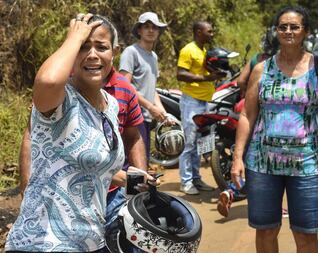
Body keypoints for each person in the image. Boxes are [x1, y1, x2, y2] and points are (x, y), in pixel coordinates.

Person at [5, 13, 126, 252]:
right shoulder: (59, 99)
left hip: (91, 243)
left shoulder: (111, 105)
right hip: (43, 243)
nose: (92, 54)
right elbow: (49, 80)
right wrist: (74, 36)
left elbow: (92, 167)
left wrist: (133, 179)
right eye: (83, 47)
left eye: (101, 47)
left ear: (115, 52)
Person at [231, 6, 318, 252]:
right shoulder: (262, 69)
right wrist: (238, 157)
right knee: (266, 229)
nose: (288, 31)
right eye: (283, 26)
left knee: (307, 234)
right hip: (262, 164)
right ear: (276, 31)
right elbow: (248, 114)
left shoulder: (316, 67)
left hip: (308, 164)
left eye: (294, 26)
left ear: (306, 31)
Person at [217, 27, 279, 217]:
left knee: (249, 156)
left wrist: (248, 93)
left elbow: (241, 80)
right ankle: (273, 203)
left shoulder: (256, 59)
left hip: (247, 108)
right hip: (271, 116)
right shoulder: (282, 61)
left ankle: (231, 190)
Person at [176, 21, 225, 195]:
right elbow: (180, 74)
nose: (212, 34)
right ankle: (186, 181)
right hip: (192, 101)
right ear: (199, 32)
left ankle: (197, 179)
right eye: (209, 31)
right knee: (189, 142)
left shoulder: (204, 50)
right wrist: (207, 78)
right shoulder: (188, 50)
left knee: (202, 142)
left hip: (207, 101)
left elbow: (207, 74)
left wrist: (217, 75)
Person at [119, 11, 169, 159]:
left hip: (146, 117)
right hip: (132, 117)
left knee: (143, 161)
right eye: (146, 27)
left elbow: (152, 90)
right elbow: (124, 86)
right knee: (133, 163)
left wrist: (162, 111)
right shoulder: (131, 52)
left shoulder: (153, 57)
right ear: (139, 30)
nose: (151, 30)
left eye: (154, 27)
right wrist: (150, 107)